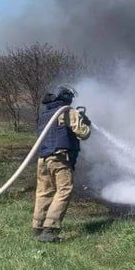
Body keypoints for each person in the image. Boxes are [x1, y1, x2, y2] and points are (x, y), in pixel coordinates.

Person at [32, 85, 91, 243]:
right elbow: (84, 133)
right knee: (64, 190)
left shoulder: (45, 115)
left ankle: (37, 227)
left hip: (43, 159)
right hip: (59, 158)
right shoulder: (67, 112)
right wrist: (85, 122)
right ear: (67, 98)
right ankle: (50, 229)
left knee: (44, 192)